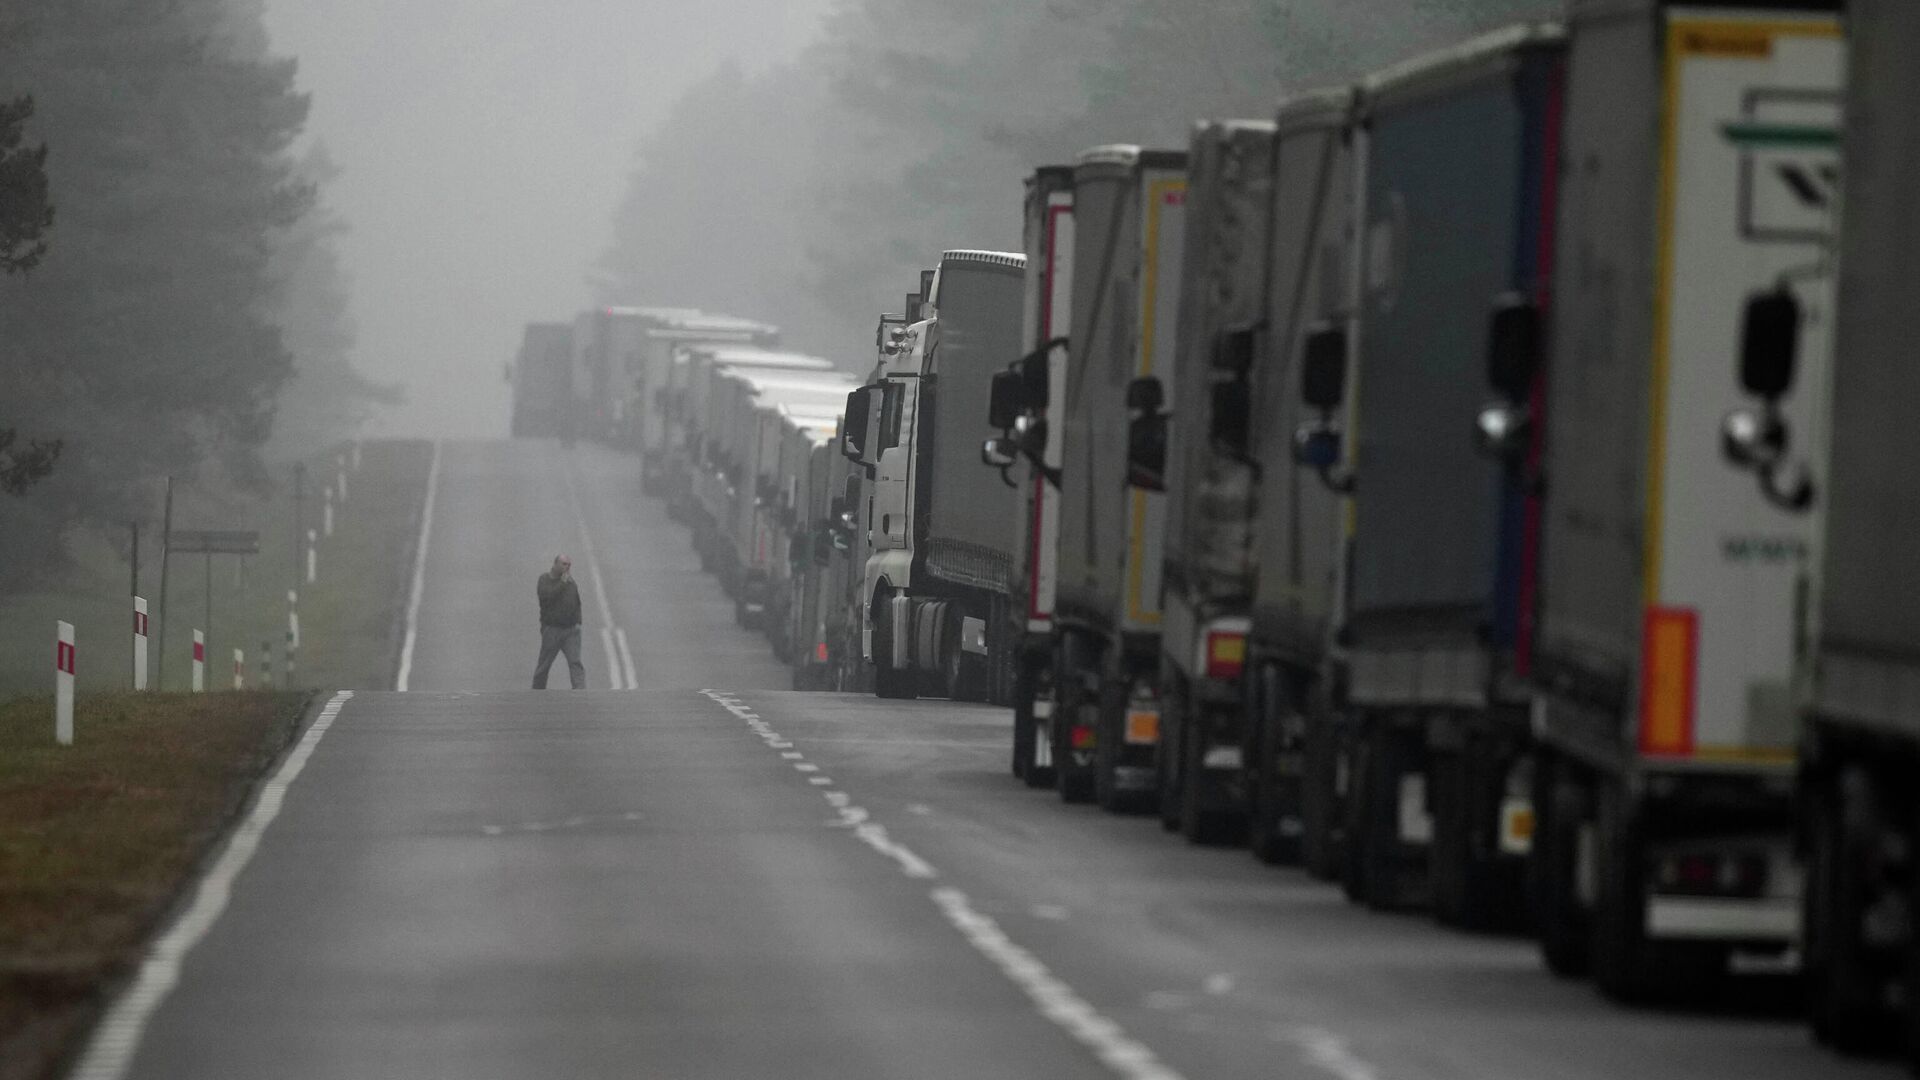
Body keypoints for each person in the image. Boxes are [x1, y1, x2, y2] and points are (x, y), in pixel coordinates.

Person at [532, 555, 586, 689]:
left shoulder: (570, 582)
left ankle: (580, 693)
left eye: (568, 564)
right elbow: (546, 597)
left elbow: (576, 601)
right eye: (563, 564)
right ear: (555, 564)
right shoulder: (545, 579)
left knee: (575, 662)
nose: (566, 567)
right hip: (553, 630)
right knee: (544, 665)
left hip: (571, 630)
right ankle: (537, 692)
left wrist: (578, 621)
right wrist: (562, 583)